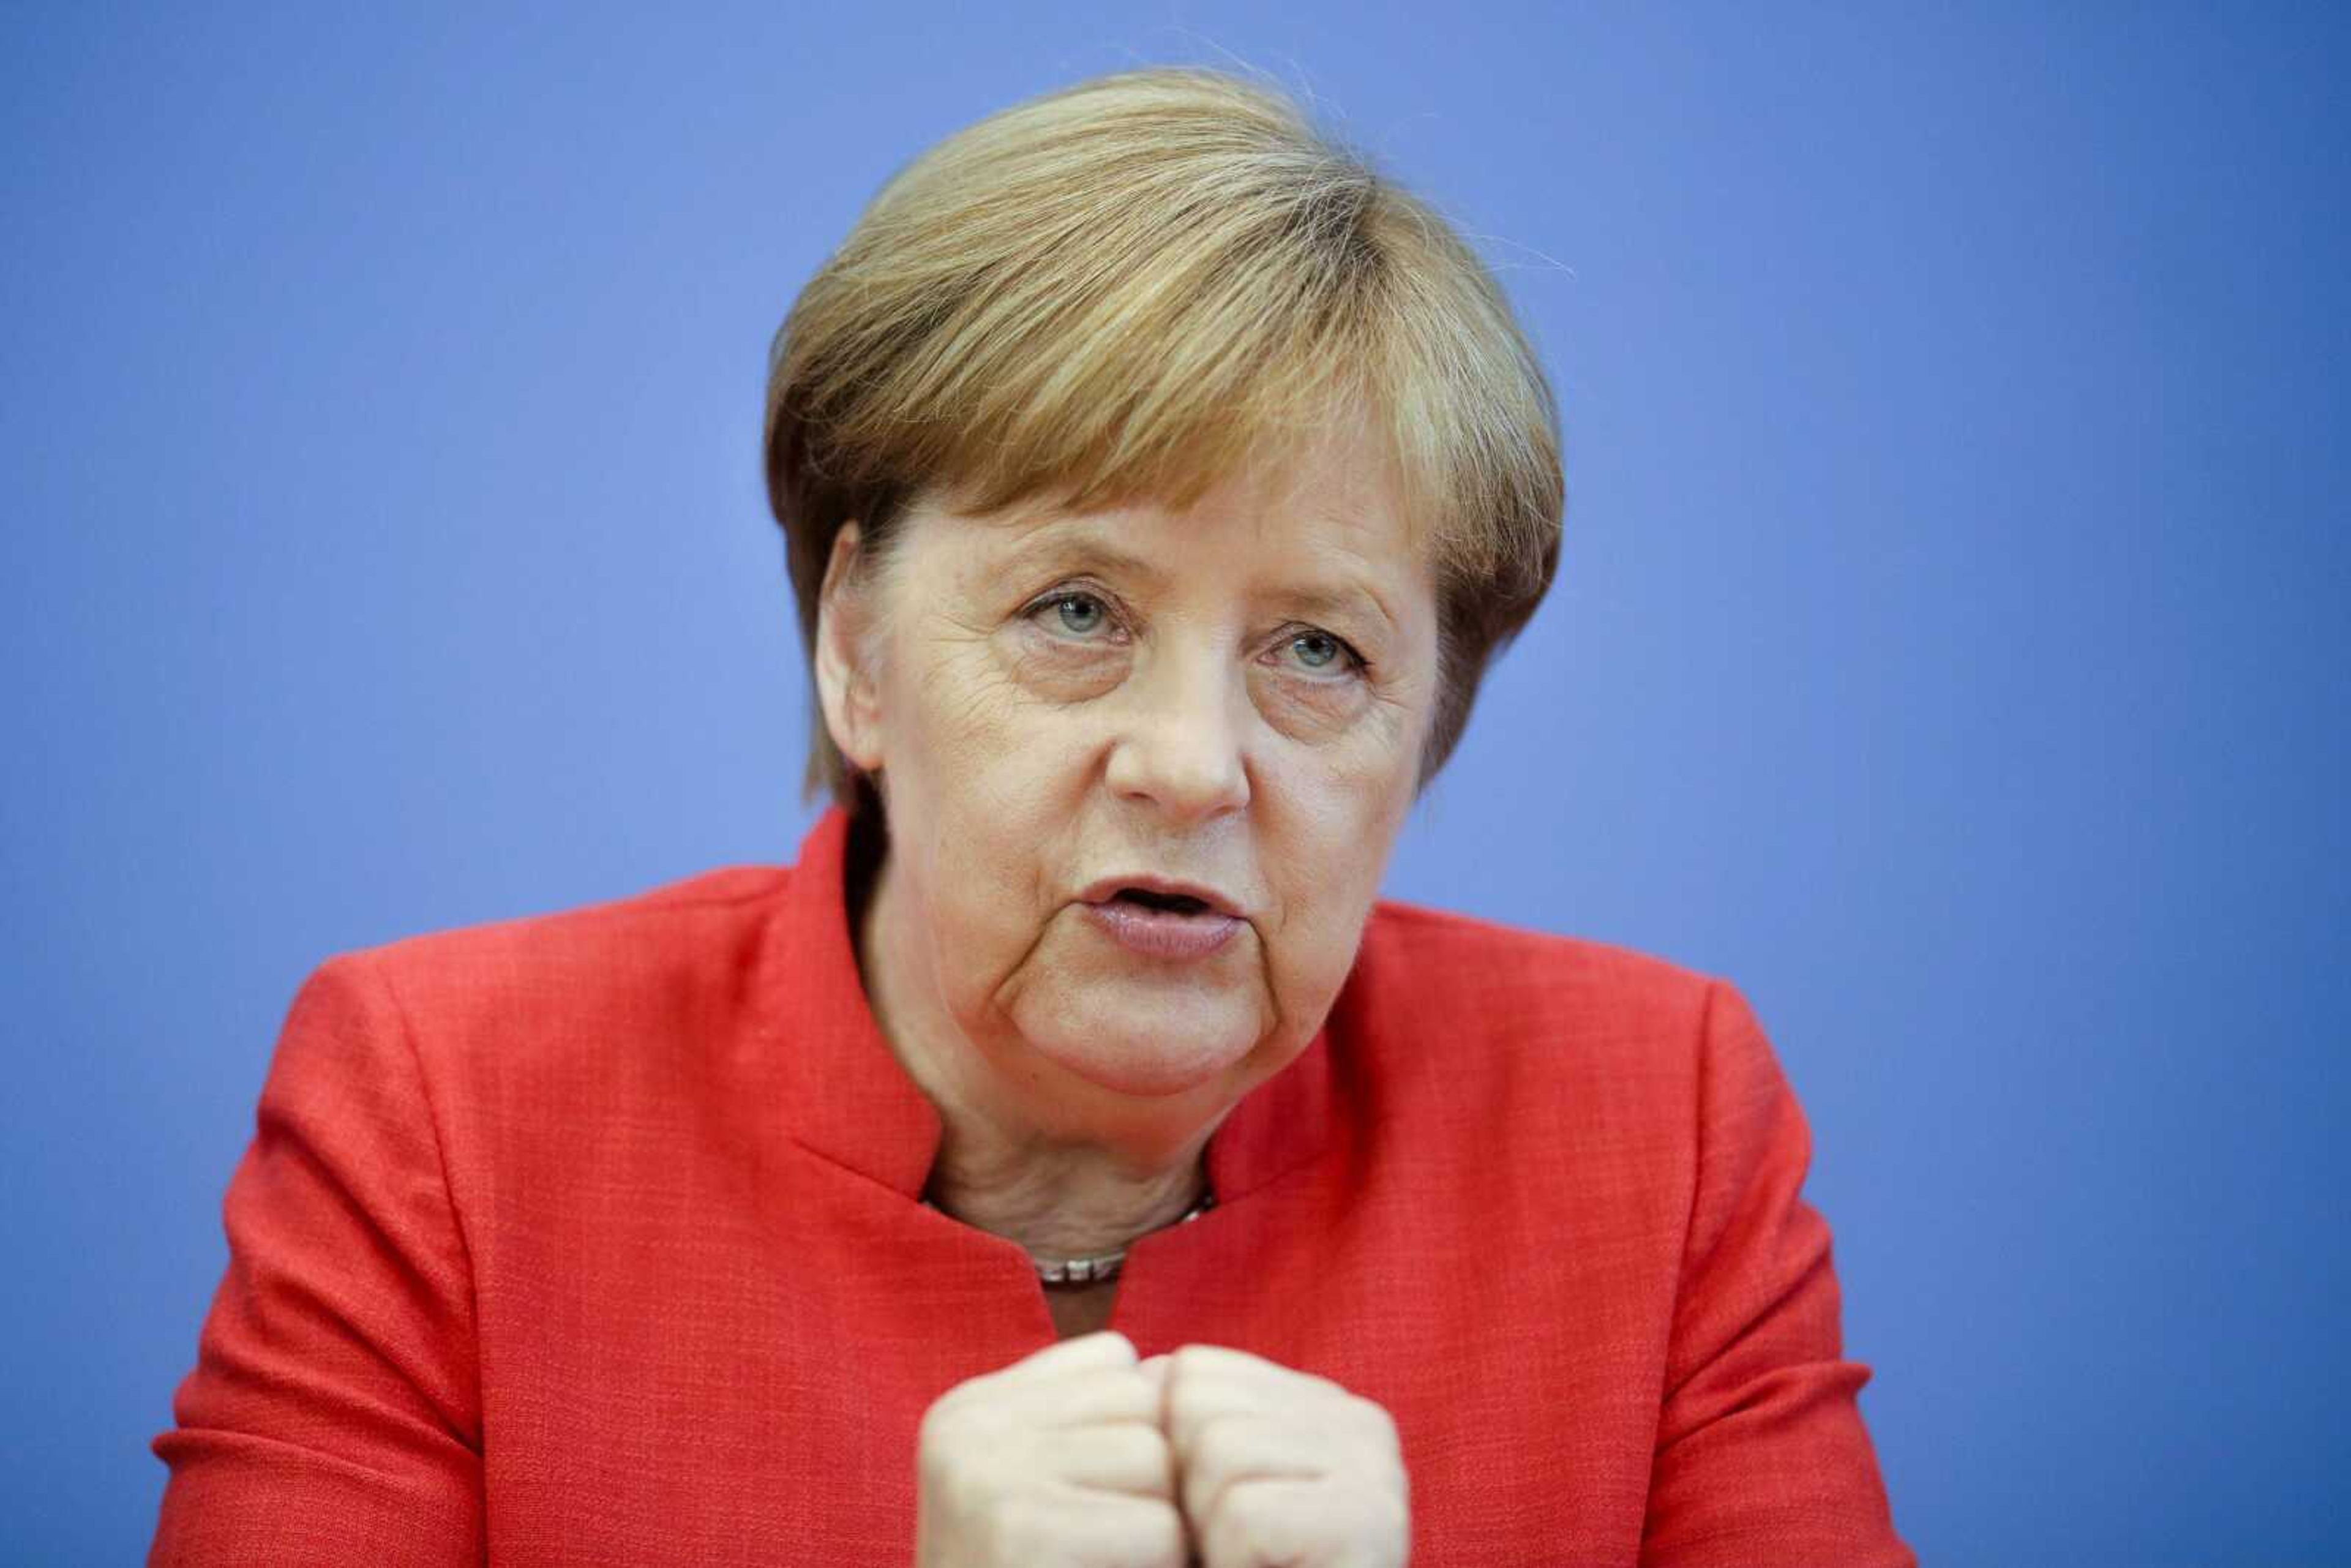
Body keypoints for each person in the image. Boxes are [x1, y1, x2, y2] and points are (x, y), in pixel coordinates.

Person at [148, 66, 1914, 1567]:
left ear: (1428, 729)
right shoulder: (442, 1112)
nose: (1193, 765)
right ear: (857, 649)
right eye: (1079, 610)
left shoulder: (1656, 1127)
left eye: (1317, 648)